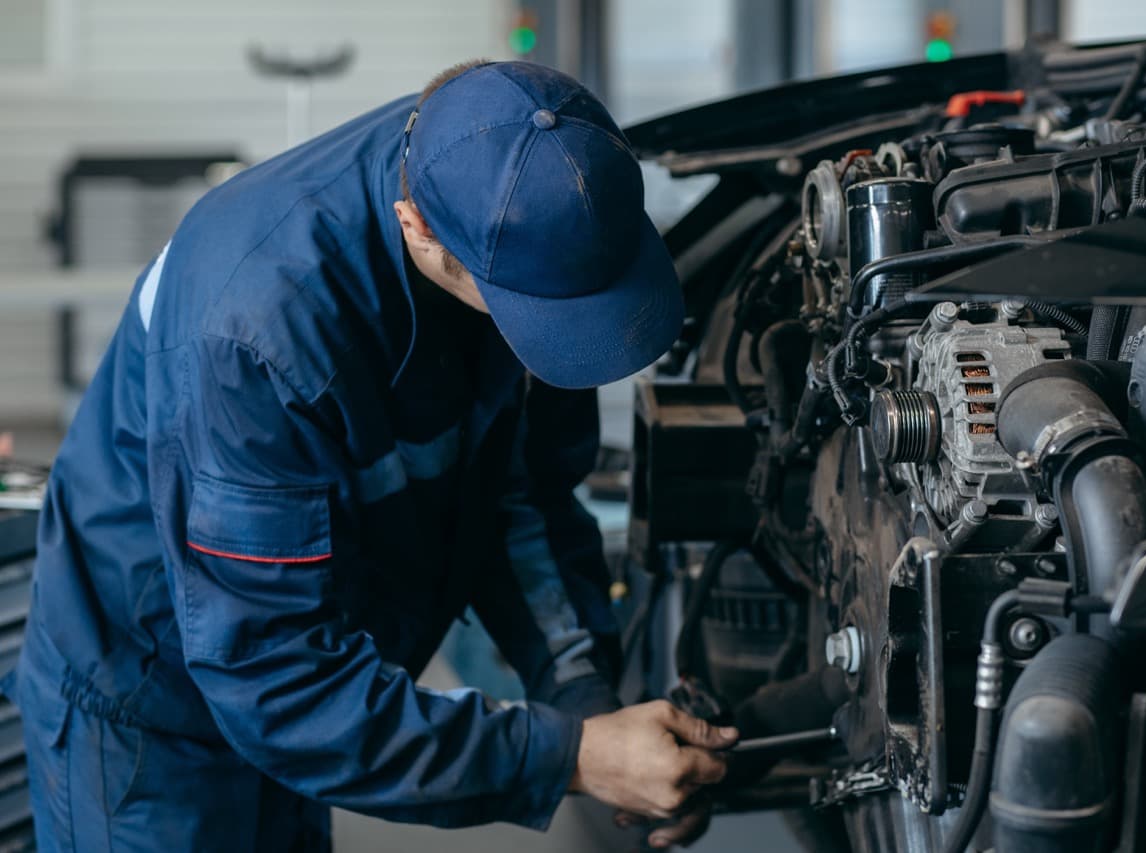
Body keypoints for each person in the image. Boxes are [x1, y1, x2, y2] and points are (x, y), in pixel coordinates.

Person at [6, 59, 736, 851]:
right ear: (418, 230)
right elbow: (277, 678)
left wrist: (590, 701)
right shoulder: (259, 333)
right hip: (152, 711)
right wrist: (570, 757)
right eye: (540, 315)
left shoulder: (524, 195)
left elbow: (524, 497)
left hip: (304, 665)